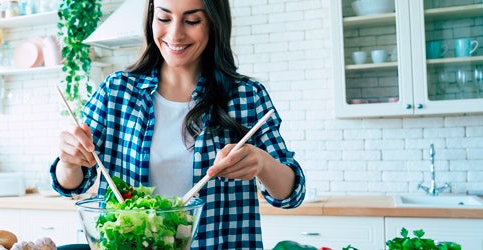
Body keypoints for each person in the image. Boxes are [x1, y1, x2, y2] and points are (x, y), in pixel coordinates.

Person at [49, 0, 306, 248]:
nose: (175, 34)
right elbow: (72, 184)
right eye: (164, 18)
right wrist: (69, 161)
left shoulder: (246, 96)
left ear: (214, 23)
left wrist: (262, 163)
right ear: (151, 18)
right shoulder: (116, 91)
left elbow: (291, 194)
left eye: (192, 20)